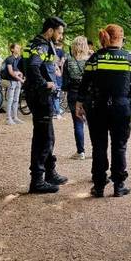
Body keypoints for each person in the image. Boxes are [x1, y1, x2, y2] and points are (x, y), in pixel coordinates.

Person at [75, 24, 131, 198]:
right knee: (119, 146)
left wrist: (79, 103)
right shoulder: (129, 59)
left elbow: (85, 83)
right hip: (121, 107)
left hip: (98, 107)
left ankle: (99, 186)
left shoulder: (95, 58)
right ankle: (119, 185)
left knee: (99, 146)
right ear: (120, 38)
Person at [22, 17, 68, 194]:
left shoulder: (34, 44)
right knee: (44, 138)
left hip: (37, 95)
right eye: (59, 32)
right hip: (40, 96)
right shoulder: (41, 46)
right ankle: (37, 181)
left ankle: (49, 172)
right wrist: (44, 83)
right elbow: (33, 66)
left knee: (47, 135)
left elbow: (23, 65)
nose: (61, 36)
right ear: (50, 30)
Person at [64, 36, 90, 160]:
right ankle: (97, 150)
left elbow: (64, 82)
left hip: (74, 93)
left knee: (78, 123)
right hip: (88, 94)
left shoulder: (68, 61)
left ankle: (81, 152)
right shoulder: (90, 60)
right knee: (93, 123)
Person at [2, 43, 25, 125]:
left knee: (16, 100)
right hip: (11, 81)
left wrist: (20, 74)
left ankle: (15, 117)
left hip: (18, 81)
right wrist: (21, 79)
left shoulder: (20, 58)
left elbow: (21, 70)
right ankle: (8, 118)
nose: (19, 49)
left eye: (19, 48)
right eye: (17, 48)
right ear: (12, 49)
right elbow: (11, 72)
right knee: (10, 99)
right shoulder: (9, 59)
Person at [51, 40, 65, 120]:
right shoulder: (61, 52)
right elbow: (62, 62)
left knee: (52, 94)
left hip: (51, 76)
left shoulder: (50, 52)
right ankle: (57, 112)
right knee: (57, 95)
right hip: (57, 76)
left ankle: (53, 111)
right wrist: (61, 72)